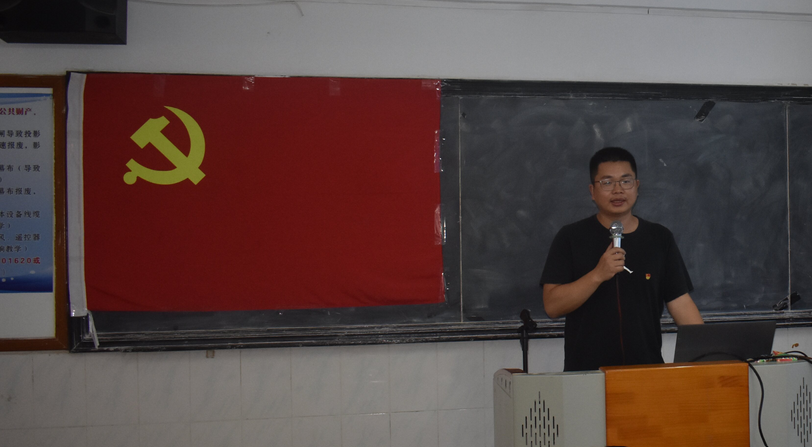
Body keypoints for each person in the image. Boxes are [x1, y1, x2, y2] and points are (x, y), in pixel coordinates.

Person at [540, 147, 703, 371]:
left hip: (646, 372)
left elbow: (681, 303)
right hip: (586, 375)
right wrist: (598, 275)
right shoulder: (571, 237)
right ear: (592, 191)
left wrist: (711, 356)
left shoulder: (659, 238)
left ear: (637, 186)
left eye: (626, 181)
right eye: (607, 183)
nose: (618, 190)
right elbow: (552, 306)